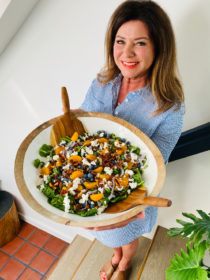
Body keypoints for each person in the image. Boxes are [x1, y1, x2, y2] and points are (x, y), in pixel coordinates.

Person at [77, 1, 185, 279]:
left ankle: (124, 264)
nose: (126, 53)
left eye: (140, 43)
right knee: (109, 239)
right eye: (120, 41)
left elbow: (155, 165)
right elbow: (84, 121)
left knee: (125, 236)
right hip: (91, 184)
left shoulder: (169, 105)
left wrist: (123, 207)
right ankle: (114, 257)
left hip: (130, 199)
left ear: (159, 46)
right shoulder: (102, 80)